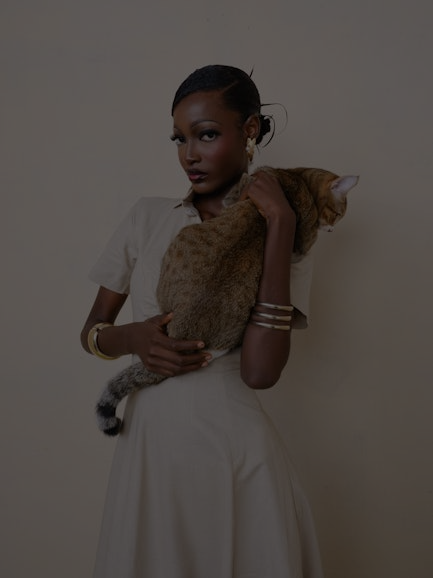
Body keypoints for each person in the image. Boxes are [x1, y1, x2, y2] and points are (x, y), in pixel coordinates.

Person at [81, 65, 323, 578]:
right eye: (180, 138)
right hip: (152, 447)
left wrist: (280, 223)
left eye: (207, 134)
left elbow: (261, 373)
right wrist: (135, 339)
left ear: (249, 130)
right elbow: (92, 332)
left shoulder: (289, 231)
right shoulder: (147, 217)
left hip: (237, 452)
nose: (189, 154)